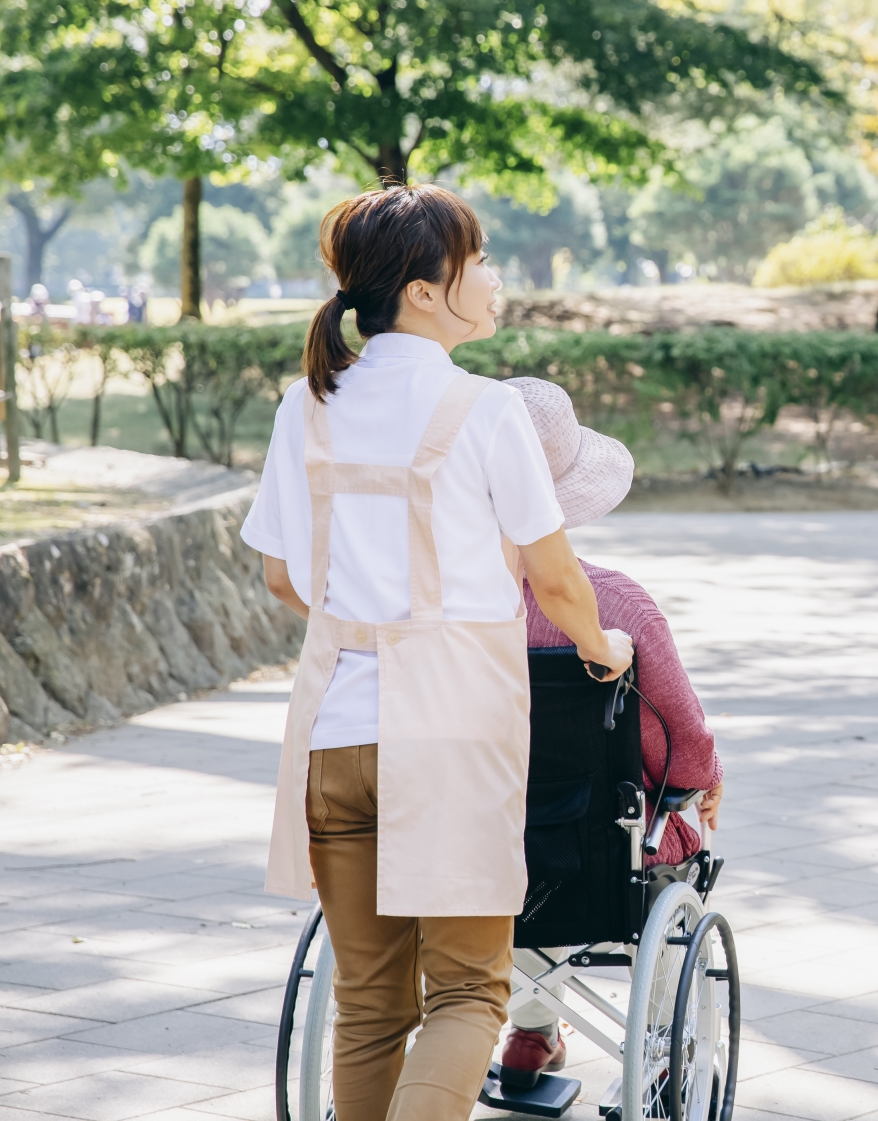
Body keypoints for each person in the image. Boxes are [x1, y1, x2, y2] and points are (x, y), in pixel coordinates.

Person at [242, 184, 636, 1121]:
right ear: (425, 292)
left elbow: (282, 578)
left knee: (371, 1007)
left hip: (336, 736)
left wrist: (363, 613)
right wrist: (605, 647)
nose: (493, 279)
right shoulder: (485, 410)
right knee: (466, 993)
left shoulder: (307, 404)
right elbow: (556, 579)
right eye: (479, 261)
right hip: (453, 736)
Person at [495, 377, 724, 1088]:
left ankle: (532, 1030)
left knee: (515, 831)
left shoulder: (431, 602)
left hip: (468, 828)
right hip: (592, 848)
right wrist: (704, 782)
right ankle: (658, 1040)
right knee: (634, 835)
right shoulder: (617, 605)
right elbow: (678, 740)